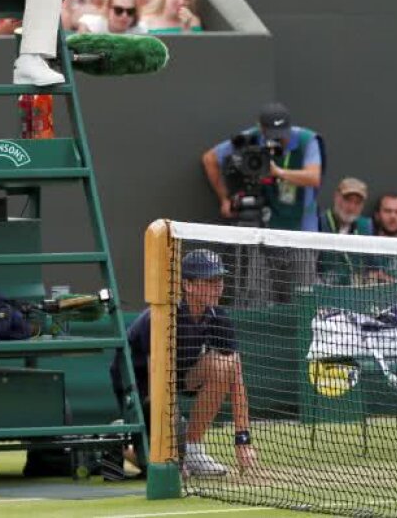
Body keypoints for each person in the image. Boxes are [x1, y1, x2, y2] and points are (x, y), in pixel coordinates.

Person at [110, 249, 257, 477]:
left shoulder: (217, 317)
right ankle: (118, 437)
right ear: (188, 285)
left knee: (225, 364)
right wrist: (173, 442)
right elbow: (157, 386)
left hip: (178, 375)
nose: (218, 287)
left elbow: (237, 379)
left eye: (219, 280)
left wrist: (243, 440)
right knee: (169, 469)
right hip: (140, 385)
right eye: (210, 281)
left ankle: (193, 450)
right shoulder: (162, 318)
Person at [202, 102, 324, 232]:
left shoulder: (307, 140)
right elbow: (210, 159)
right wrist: (224, 199)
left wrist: (278, 172)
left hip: (301, 219)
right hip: (265, 213)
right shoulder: (251, 137)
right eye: (272, 134)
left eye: (282, 134)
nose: (278, 139)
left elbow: (314, 177)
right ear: (261, 128)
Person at [77, 0, 146, 34]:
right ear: (108, 10)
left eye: (130, 11)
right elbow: (84, 21)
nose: (124, 15)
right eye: (118, 10)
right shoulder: (97, 26)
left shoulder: (138, 30)